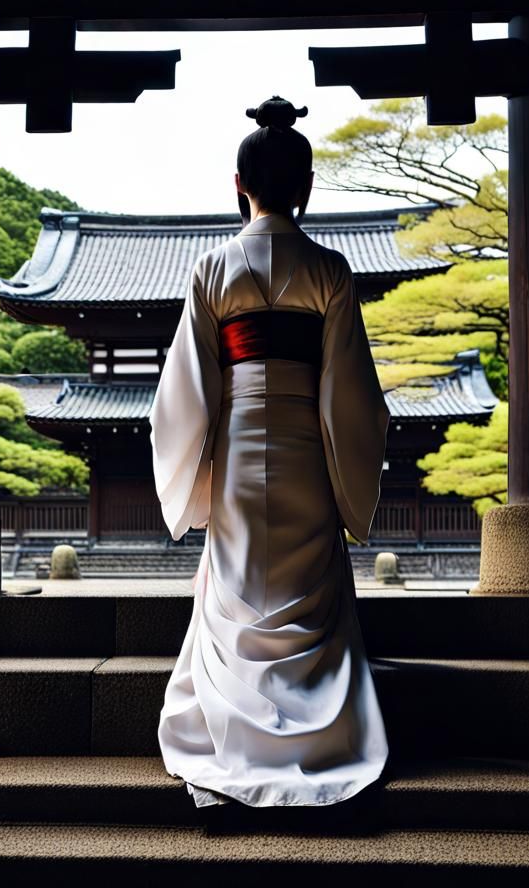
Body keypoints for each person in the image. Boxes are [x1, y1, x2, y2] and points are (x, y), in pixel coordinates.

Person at [150, 95, 392, 810]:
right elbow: (352, 396)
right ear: (306, 186)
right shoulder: (331, 270)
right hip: (308, 450)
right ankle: (318, 731)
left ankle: (234, 734)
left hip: (236, 444)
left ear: (238, 184)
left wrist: (201, 467)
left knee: (239, 581)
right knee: (305, 582)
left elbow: (184, 394)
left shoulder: (211, 267)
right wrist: (344, 467)